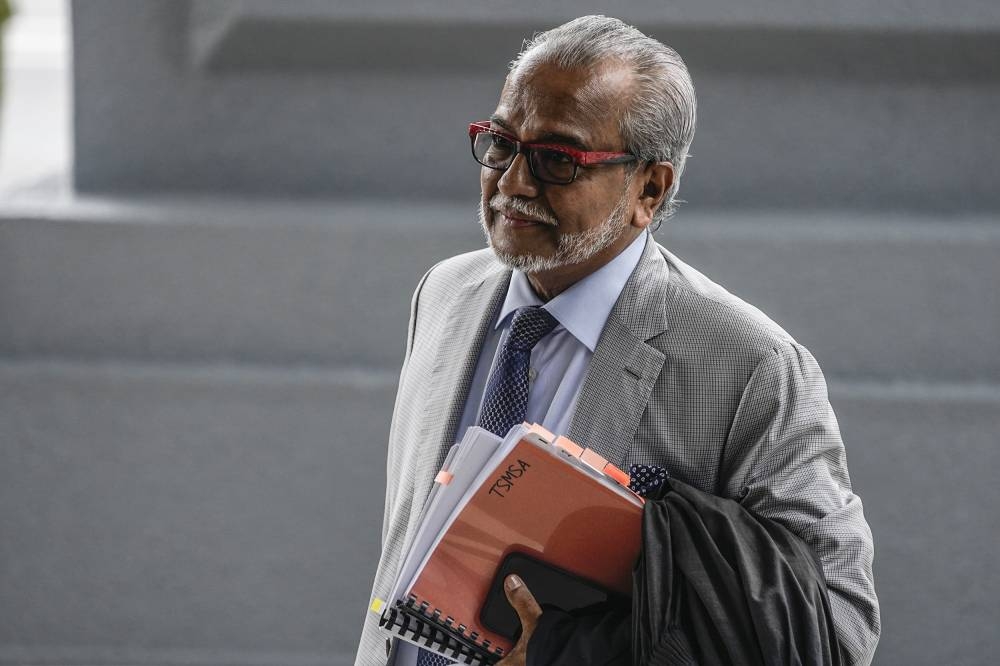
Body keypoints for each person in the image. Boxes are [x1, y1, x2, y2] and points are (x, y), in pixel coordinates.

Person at [355, 15, 879, 666]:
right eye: (500, 143)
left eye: (557, 160)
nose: (513, 182)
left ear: (650, 189)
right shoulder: (445, 294)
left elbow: (834, 630)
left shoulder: (749, 366)